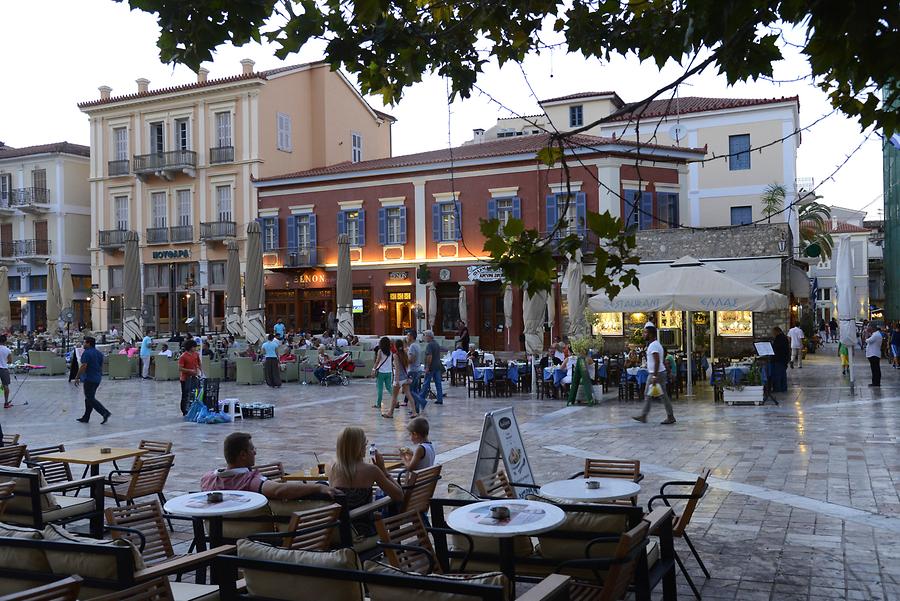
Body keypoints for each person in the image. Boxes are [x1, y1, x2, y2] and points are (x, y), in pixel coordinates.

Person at [201, 432, 334, 500]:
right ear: (242, 455)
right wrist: (318, 487)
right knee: (324, 481)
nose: (255, 452)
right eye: (252, 449)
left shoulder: (207, 479)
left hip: (219, 528)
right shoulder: (250, 481)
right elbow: (278, 490)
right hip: (257, 534)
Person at [328, 427, 403, 536]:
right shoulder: (371, 470)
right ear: (359, 447)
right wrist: (383, 470)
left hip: (339, 530)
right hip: (364, 530)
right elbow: (399, 495)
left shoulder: (330, 467)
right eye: (364, 443)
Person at [632, 324, 675, 425]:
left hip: (657, 373)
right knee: (656, 395)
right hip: (658, 372)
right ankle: (647, 415)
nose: (643, 334)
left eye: (645, 332)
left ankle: (646, 415)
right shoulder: (655, 344)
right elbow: (661, 360)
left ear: (651, 334)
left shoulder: (654, 345)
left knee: (652, 395)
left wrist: (655, 376)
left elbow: (657, 361)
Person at [74, 336, 111, 424]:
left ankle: (104, 412)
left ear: (88, 343)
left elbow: (83, 366)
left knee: (90, 398)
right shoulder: (99, 353)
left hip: (89, 378)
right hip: (97, 378)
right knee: (89, 398)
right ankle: (86, 417)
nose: (83, 344)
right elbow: (100, 365)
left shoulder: (87, 353)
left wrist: (77, 377)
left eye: (84, 343)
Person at [416, 330, 444, 413]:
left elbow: (429, 356)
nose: (424, 337)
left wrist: (427, 367)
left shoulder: (429, 345)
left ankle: (421, 398)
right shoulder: (436, 344)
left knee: (426, 383)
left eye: (425, 336)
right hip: (438, 365)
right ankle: (440, 398)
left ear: (429, 336)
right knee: (438, 383)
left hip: (431, 367)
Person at [384, 338, 412, 418]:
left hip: (399, 378)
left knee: (394, 396)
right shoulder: (405, 353)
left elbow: (397, 368)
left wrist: (396, 380)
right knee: (409, 395)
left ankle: (390, 413)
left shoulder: (396, 355)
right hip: (405, 378)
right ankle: (414, 411)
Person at [178, 339, 201, 415]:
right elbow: (180, 368)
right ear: (190, 347)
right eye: (194, 347)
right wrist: (190, 371)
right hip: (185, 378)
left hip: (194, 377)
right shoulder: (183, 356)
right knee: (185, 394)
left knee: (194, 393)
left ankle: (192, 408)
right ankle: (184, 410)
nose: (195, 348)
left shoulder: (196, 354)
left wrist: (200, 371)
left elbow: (199, 364)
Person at [372, 336, 393, 411]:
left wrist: (374, 369)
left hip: (381, 372)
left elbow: (377, 361)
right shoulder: (390, 352)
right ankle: (396, 401)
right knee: (389, 387)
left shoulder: (380, 351)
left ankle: (378, 404)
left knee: (380, 388)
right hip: (389, 371)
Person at [770, 327, 790, 393]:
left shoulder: (780, 339)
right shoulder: (783, 338)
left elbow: (776, 349)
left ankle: (778, 389)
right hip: (783, 359)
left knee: (777, 375)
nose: (772, 334)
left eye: (773, 332)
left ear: (776, 331)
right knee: (782, 374)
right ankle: (783, 388)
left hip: (779, 359)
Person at [405, 330, 421, 403]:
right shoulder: (417, 345)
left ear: (411, 336)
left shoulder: (412, 346)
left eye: (408, 335)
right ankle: (416, 407)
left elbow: (412, 360)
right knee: (414, 390)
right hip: (417, 369)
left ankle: (421, 402)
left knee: (410, 391)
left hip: (412, 370)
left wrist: (404, 361)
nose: (407, 337)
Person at [0, 335, 11, 409]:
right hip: (3, 368)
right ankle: (6, 402)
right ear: (5, 341)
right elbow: (10, 361)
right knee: (5, 385)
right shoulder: (7, 350)